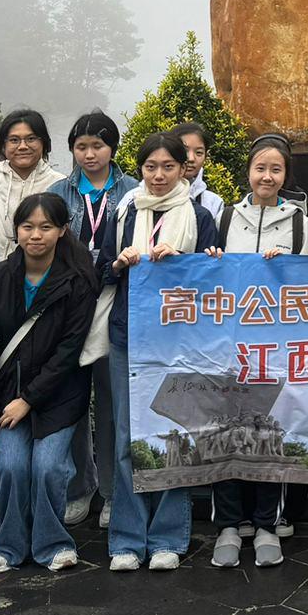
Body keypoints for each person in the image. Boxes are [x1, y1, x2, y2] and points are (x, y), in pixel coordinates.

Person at [99, 131, 213, 571]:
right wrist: (119, 262)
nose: (159, 175)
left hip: (179, 345)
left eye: (169, 166)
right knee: (128, 437)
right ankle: (127, 539)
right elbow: (104, 272)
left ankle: (167, 536)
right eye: (150, 167)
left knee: (174, 437)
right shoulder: (124, 212)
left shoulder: (199, 216)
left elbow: (212, 285)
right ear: (140, 169)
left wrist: (186, 262)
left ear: (184, 168)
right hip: (128, 336)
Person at [0, 192, 100, 573]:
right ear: (16, 231)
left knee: (47, 467)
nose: (36, 235)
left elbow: (69, 351)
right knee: (10, 468)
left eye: (46, 227)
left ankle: (52, 542)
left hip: (58, 397)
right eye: (28, 227)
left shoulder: (77, 283)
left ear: (62, 231)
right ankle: (7, 545)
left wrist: (29, 398)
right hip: (6, 397)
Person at [207, 134, 308, 568]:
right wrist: (214, 257)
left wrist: (286, 271)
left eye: (276, 169)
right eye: (260, 168)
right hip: (229, 345)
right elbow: (205, 279)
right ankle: (230, 526)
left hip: (277, 348)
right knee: (227, 431)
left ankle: (268, 523)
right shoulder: (224, 217)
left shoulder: (299, 224)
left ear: (285, 175)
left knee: (270, 432)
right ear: (248, 172)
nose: (267, 176)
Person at [45, 110, 138, 530]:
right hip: (70, 308)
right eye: (81, 147)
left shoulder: (133, 193)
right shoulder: (59, 193)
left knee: (114, 402)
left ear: (112, 148)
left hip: (116, 304)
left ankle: (114, 492)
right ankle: (79, 487)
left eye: (97, 146)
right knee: (72, 402)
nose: (89, 154)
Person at [0, 109, 61, 256]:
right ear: (3, 145)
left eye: (31, 139)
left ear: (44, 143)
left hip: (43, 276)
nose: (23, 146)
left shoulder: (60, 184)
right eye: (14, 140)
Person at [176, 120, 227, 226]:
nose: (191, 158)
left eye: (199, 153)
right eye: (184, 150)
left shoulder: (213, 203)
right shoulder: (137, 198)